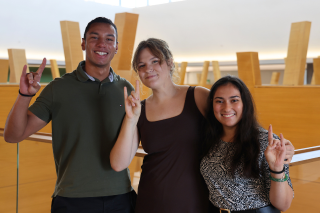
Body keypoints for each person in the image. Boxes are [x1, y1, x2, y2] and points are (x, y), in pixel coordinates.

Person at [109, 38, 295, 213]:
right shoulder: (138, 111)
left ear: (170, 62)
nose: (148, 68)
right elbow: (119, 164)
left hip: (197, 202)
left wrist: (282, 147)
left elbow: (234, 120)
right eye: (141, 65)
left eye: (155, 61)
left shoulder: (197, 96)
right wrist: (130, 119)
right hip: (152, 200)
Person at [4, 17, 137, 213]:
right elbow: (13, 135)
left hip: (121, 198)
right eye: (95, 37)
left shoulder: (127, 88)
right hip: (72, 199)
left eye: (109, 39)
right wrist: (25, 95)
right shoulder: (58, 88)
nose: (102, 44)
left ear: (116, 46)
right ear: (83, 43)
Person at [200, 76, 294, 213]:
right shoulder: (209, 139)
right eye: (219, 101)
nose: (227, 107)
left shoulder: (265, 141)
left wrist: (277, 168)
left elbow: (283, 205)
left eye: (234, 100)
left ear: (245, 103)